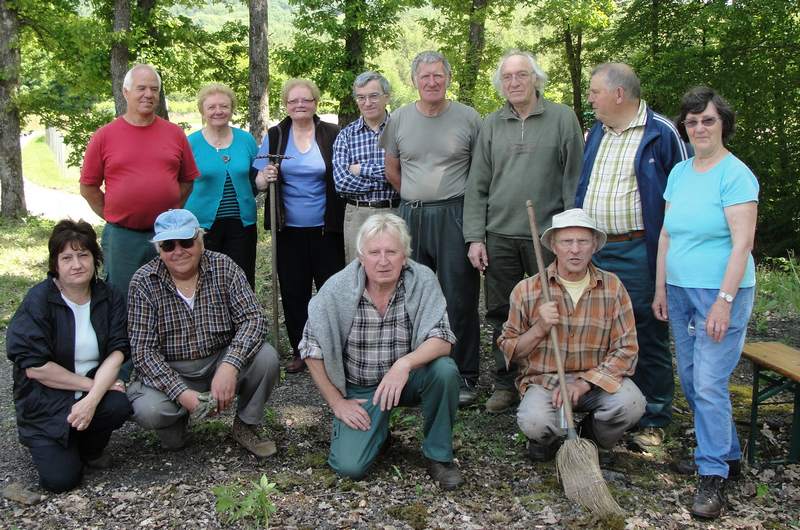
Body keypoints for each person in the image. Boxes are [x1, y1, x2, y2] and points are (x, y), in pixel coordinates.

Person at [652, 87, 758, 520]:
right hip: (678, 290)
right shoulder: (679, 172)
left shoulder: (736, 175)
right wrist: (660, 288)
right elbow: (666, 235)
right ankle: (727, 454)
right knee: (694, 378)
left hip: (721, 293)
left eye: (708, 120)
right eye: (692, 121)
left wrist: (723, 301)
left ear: (723, 124)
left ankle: (712, 475)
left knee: (711, 382)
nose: (699, 127)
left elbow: (743, 244)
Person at [300, 213, 463, 489]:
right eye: (375, 252)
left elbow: (443, 339)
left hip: (408, 380)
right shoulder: (338, 289)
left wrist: (404, 365)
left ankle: (438, 456)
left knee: (445, 371)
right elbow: (310, 348)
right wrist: (337, 403)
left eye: (392, 252)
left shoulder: (421, 280)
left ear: (405, 256)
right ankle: (380, 435)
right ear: (361, 256)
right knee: (349, 467)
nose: (383, 260)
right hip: (361, 389)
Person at [575, 63, 690, 449]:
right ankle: (608, 405)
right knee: (594, 329)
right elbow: (584, 185)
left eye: (595, 91)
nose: (590, 98)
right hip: (596, 249)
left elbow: (681, 192)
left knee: (645, 330)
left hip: (639, 249)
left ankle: (654, 415)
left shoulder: (662, 132)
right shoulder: (595, 134)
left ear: (619, 94)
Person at [464, 50, 584, 414]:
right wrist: (475, 237)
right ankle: (505, 381)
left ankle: (551, 378)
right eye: (507, 77)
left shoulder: (562, 119)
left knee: (553, 307)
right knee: (502, 312)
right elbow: (477, 185)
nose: (514, 83)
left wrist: (571, 235)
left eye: (521, 75)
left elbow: (573, 180)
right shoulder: (491, 124)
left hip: (548, 238)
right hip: (499, 235)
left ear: (536, 79)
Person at [126, 209, 280, 458]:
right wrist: (182, 394)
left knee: (266, 357)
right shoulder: (143, 282)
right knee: (148, 410)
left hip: (219, 359)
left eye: (186, 242)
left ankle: (246, 424)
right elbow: (143, 352)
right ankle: (178, 422)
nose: (178, 251)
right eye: (168, 245)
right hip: (173, 369)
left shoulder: (224, 266)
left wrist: (230, 365)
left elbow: (254, 319)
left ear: (200, 239)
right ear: (159, 250)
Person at [498, 209, 645, 462]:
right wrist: (539, 329)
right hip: (546, 383)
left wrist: (585, 382)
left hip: (594, 382)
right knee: (534, 421)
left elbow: (627, 348)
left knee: (631, 404)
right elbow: (510, 349)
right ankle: (553, 441)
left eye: (583, 242)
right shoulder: (527, 290)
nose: (575, 250)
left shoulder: (612, 287)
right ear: (554, 246)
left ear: (594, 246)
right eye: (567, 242)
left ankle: (591, 438)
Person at [380, 50, 482, 406]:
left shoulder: (469, 118)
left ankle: (465, 374)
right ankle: (414, 371)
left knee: (459, 294)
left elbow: (481, 172)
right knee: (410, 293)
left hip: (455, 213)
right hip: (412, 216)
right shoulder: (400, 120)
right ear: (414, 81)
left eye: (438, 75)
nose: (432, 82)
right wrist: (413, 197)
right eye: (425, 77)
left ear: (448, 78)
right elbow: (392, 168)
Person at [6, 220, 132, 492]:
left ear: (95, 259)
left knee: (119, 405)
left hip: (91, 393)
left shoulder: (109, 297)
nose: (77, 264)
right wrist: (96, 388)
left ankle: (88, 448)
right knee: (60, 481)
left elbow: (117, 352)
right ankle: (56, 444)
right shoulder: (39, 300)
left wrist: (92, 399)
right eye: (67, 257)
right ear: (55, 264)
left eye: (83, 255)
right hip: (46, 401)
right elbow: (35, 368)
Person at [80, 63, 199, 300]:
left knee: (171, 296)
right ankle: (125, 339)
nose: (148, 94)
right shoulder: (105, 135)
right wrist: (115, 214)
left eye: (154, 89)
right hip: (123, 237)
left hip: (168, 234)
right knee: (123, 297)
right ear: (126, 92)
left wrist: (169, 211)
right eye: (141, 88)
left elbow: (187, 180)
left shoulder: (174, 134)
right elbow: (88, 187)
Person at [254, 78, 345, 373]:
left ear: (316, 102)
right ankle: (301, 350)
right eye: (293, 101)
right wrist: (265, 176)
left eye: (305, 100)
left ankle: (333, 350)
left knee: (331, 291)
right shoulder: (276, 135)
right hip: (287, 230)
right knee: (294, 293)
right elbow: (256, 180)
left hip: (326, 228)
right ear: (285, 105)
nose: (300, 105)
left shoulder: (331, 134)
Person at [185, 83, 259, 288]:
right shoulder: (190, 143)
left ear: (232, 108)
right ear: (203, 111)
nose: (218, 111)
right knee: (206, 282)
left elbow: (256, 178)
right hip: (202, 226)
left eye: (224, 106)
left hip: (242, 225)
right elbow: (180, 183)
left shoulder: (246, 140)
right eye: (212, 107)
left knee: (241, 279)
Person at [333, 71, 398, 263]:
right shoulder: (346, 135)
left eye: (373, 96)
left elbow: (407, 173)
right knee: (359, 272)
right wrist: (388, 179)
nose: (367, 103)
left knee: (397, 270)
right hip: (358, 214)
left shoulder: (400, 129)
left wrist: (361, 170)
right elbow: (341, 183)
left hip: (395, 212)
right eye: (361, 97)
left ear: (387, 97)